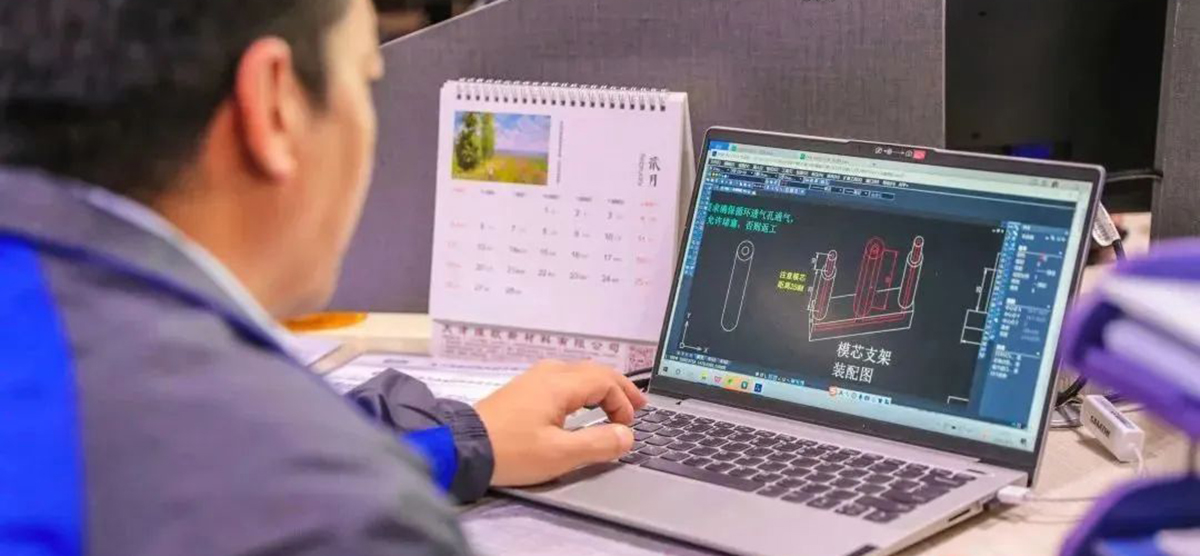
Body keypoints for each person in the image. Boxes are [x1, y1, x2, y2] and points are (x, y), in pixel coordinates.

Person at [0, 1, 645, 554]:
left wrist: (460, 440)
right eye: (366, 79)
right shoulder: (335, 520)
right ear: (274, 105)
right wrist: (352, 478)